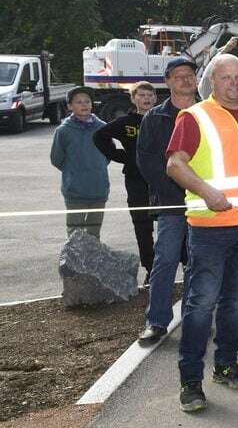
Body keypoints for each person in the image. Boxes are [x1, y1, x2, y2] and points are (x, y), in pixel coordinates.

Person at [166, 54, 238, 413]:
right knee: (201, 305)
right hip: (209, 229)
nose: (233, 83)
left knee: (234, 302)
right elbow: (174, 164)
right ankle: (191, 382)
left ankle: (226, 365)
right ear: (212, 81)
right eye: (225, 77)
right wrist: (207, 192)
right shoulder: (195, 116)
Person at [135, 58, 196, 346]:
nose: (185, 80)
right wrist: (175, 189)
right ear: (168, 81)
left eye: (189, 75)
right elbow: (146, 161)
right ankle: (157, 322)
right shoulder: (154, 118)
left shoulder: (208, 113)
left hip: (205, 202)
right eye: (178, 76)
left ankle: (195, 319)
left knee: (200, 264)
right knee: (166, 261)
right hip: (172, 203)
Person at [93, 81, 157, 281]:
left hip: (162, 181)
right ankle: (150, 268)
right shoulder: (126, 123)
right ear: (133, 99)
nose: (146, 99)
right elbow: (99, 136)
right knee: (143, 226)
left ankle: (172, 265)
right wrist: (121, 156)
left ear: (155, 98)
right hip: (136, 181)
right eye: (141, 95)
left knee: (169, 224)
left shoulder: (161, 119)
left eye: (150, 95)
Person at [50, 87, 109, 239]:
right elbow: (56, 158)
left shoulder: (102, 127)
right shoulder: (63, 131)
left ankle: (92, 261)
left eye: (87, 101)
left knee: (94, 232)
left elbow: (109, 154)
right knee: (74, 233)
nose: (84, 105)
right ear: (70, 106)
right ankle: (74, 262)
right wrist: (74, 170)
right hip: (75, 191)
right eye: (79, 102)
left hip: (99, 188)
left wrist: (96, 166)